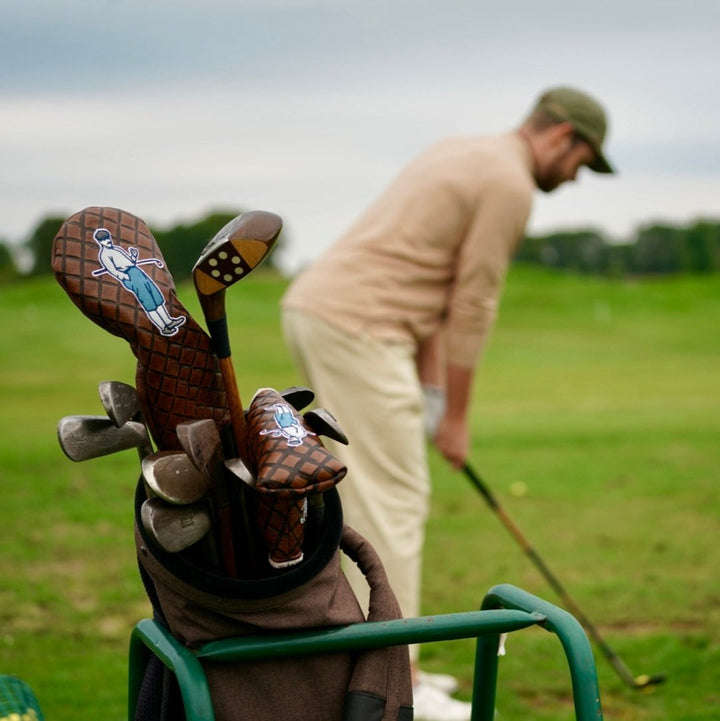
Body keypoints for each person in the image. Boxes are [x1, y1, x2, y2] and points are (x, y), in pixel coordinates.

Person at [281, 86, 615, 721]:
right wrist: (457, 419)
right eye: (582, 162)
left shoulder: (467, 153)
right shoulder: (509, 182)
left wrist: (433, 399)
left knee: (367, 497)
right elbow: (472, 303)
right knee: (394, 502)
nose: (574, 179)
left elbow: (432, 294)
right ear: (561, 136)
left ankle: (373, 663)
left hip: (329, 312)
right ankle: (390, 676)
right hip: (360, 327)